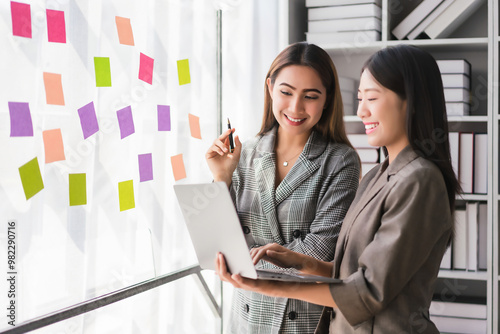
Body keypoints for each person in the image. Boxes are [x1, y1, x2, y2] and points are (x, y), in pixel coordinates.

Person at [215, 44, 461, 333]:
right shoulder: (378, 176)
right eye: (359, 98)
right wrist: (300, 261)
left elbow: (368, 290)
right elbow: (352, 272)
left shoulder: (419, 180)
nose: (361, 111)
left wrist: (269, 285)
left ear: (413, 102)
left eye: (372, 98)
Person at [206, 42, 360, 333]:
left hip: (302, 317)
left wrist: (244, 266)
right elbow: (219, 244)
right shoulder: (246, 152)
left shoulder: (340, 161)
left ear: (327, 99)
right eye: (286, 92)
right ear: (270, 87)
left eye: (310, 96)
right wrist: (222, 178)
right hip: (246, 316)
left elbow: (319, 250)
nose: (295, 107)